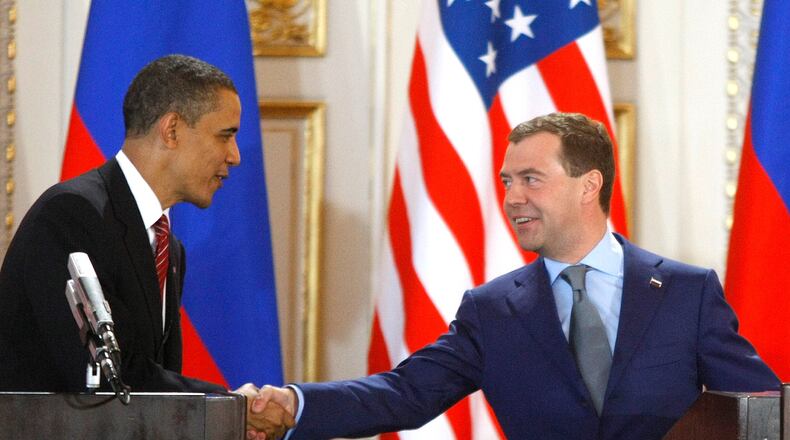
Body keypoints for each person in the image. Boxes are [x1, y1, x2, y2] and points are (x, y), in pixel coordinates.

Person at [251, 112, 780, 440]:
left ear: (588, 185)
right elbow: (405, 393)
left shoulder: (686, 292)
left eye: (531, 179)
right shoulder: (493, 310)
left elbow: (763, 410)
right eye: (507, 181)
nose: (512, 198)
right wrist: (296, 404)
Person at [0, 54, 292, 437]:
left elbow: (152, 392)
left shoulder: (169, 247)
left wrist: (225, 415)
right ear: (171, 130)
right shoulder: (71, 216)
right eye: (225, 135)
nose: (234, 156)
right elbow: (109, 378)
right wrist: (229, 406)